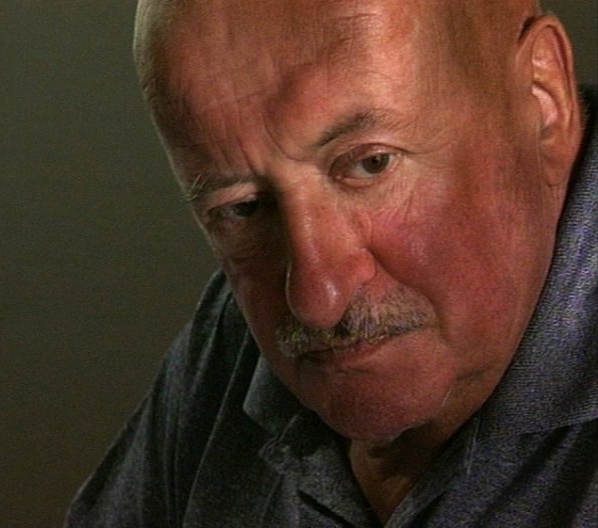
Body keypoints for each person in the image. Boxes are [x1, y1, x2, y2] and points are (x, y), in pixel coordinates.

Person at [66, 0, 597, 526]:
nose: (316, 300)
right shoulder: (230, 351)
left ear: (542, 98)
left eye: (370, 164)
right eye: (244, 208)